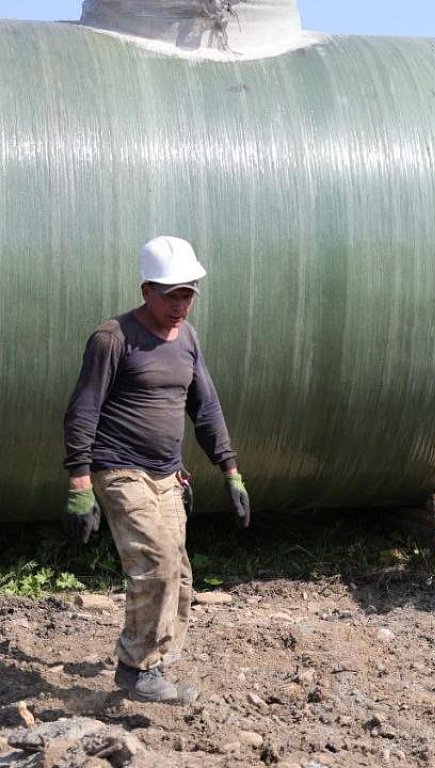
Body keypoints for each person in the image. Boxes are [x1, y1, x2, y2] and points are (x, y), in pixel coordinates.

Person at [62, 235, 251, 702]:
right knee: (157, 563)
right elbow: (83, 409)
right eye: (171, 295)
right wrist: (79, 481)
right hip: (118, 468)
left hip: (168, 474)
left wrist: (230, 470)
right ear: (146, 290)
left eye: (188, 294)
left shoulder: (186, 337)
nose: (180, 305)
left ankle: (156, 661)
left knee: (181, 574)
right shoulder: (114, 338)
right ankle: (136, 668)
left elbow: (204, 407)